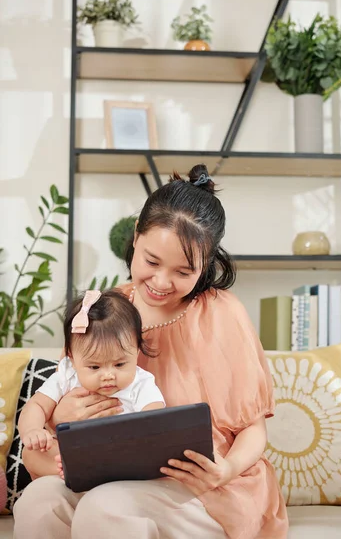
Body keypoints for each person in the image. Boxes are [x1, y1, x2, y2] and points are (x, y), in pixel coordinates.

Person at [14, 164, 289, 539]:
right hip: (107, 476)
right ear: (135, 239)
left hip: (201, 489)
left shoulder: (221, 313)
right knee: (38, 501)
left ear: (206, 265)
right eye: (151, 261)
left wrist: (226, 469)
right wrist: (63, 413)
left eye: (183, 271)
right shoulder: (104, 311)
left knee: (106, 508)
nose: (161, 282)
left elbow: (253, 429)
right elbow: (55, 409)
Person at [19, 289, 165, 479]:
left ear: (136, 351)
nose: (108, 375)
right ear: (71, 358)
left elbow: (154, 417)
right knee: (31, 454)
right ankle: (73, 470)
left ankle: (96, 472)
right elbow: (37, 405)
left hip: (120, 456)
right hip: (74, 452)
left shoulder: (140, 383)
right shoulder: (67, 375)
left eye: (120, 364)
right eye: (94, 367)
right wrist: (33, 431)